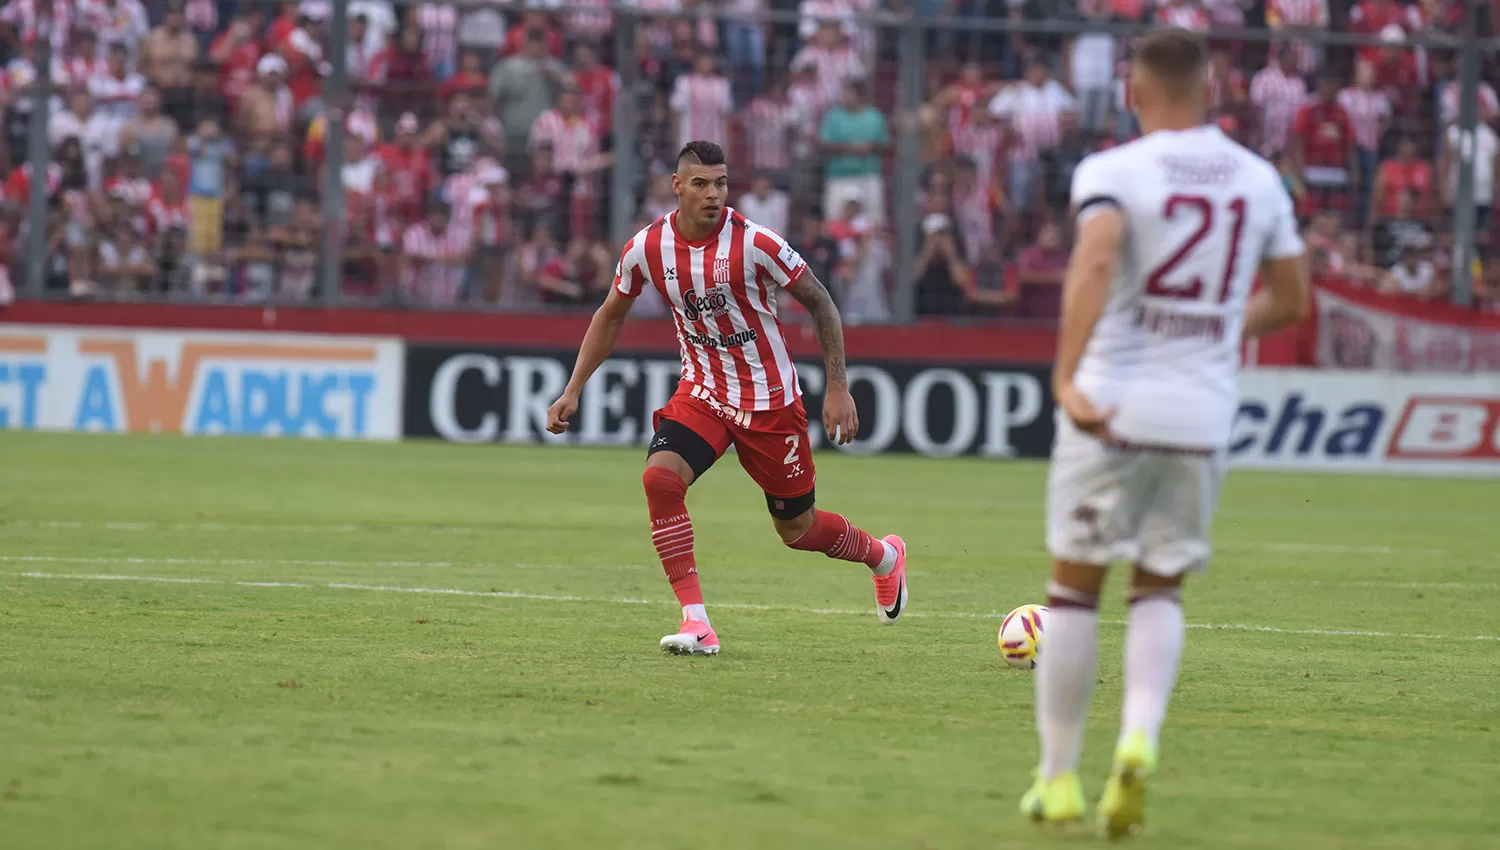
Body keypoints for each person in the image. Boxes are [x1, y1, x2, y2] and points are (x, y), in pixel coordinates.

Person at [1022, 29, 1310, 837]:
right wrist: (1217, 329)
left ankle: (1057, 780)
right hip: (1200, 413)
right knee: (1159, 586)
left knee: (1075, 589)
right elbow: (1291, 299)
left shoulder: (1112, 172)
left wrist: (1067, 376)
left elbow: (1098, 255)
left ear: (1131, 91)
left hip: (1113, 402)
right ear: (1211, 90)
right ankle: (1140, 737)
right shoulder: (1258, 180)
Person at [545, 140, 909, 657]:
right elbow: (611, 314)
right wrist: (573, 388)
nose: (713, 194)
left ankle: (883, 558)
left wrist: (837, 385)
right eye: (700, 184)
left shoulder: (756, 242)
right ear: (677, 187)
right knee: (660, 478)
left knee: (797, 529)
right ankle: (696, 621)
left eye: (720, 183)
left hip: (769, 403)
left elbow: (821, 303)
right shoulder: (647, 249)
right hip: (703, 393)